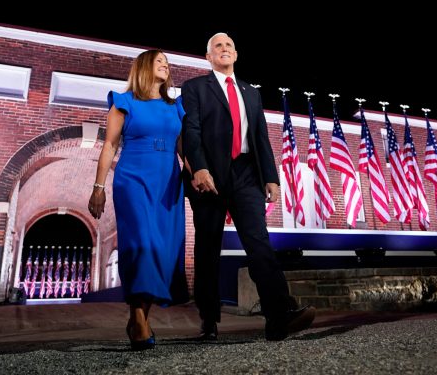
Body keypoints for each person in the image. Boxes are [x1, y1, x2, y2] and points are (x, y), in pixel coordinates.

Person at [181, 32, 315, 341]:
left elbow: (260, 136)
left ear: (236, 54)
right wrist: (199, 168)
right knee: (208, 248)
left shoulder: (251, 92)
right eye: (218, 46)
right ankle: (208, 319)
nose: (224, 49)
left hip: (246, 175)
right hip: (209, 177)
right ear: (208, 57)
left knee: (259, 243)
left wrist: (271, 176)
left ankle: (279, 316)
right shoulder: (194, 88)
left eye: (229, 45)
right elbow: (191, 130)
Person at [88, 49, 186, 351]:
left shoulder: (177, 107)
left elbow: (185, 149)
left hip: (169, 181)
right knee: (141, 243)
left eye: (167, 63)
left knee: (162, 249)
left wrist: (198, 173)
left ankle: (138, 318)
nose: (165, 65)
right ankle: (140, 321)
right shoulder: (124, 102)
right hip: (133, 178)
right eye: (159, 61)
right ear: (144, 67)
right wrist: (98, 186)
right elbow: (109, 146)